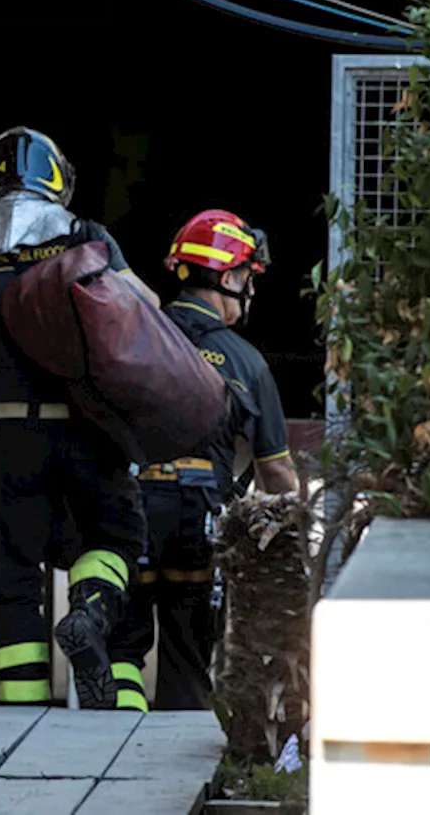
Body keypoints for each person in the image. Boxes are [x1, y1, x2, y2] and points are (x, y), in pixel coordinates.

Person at [0, 126, 157, 710]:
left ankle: (23, 711)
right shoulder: (88, 241)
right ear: (58, 182)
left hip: (11, 438)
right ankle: (90, 612)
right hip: (90, 432)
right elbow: (147, 307)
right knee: (114, 538)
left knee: (13, 574)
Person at [108, 210, 300, 711]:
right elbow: (275, 470)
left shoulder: (134, 336)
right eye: (246, 278)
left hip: (129, 510)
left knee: (123, 645)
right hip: (198, 519)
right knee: (188, 652)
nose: (249, 291)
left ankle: (115, 741)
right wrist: (299, 534)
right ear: (227, 277)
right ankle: (167, 766)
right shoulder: (245, 361)